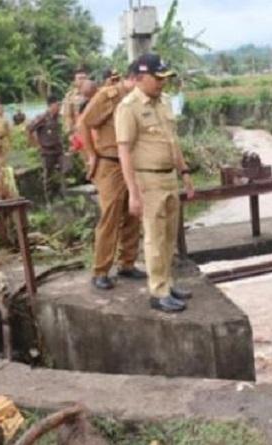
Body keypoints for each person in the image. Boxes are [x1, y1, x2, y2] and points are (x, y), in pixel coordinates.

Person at [115, 54, 195, 313]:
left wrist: (185, 172)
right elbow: (124, 152)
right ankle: (158, 292)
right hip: (147, 178)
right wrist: (133, 193)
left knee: (169, 236)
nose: (162, 83)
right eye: (157, 78)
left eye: (164, 78)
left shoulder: (165, 103)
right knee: (154, 236)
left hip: (169, 177)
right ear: (139, 78)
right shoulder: (129, 107)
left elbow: (172, 141)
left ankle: (167, 283)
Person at [79, 66, 144, 291]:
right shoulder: (109, 96)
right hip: (110, 163)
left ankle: (127, 263)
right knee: (111, 215)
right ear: (134, 78)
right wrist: (90, 155)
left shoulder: (138, 98)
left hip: (131, 164)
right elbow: (84, 123)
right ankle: (100, 270)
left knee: (133, 215)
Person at [27, 96, 64, 202]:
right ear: (51, 105)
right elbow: (29, 128)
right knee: (48, 176)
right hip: (47, 151)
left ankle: (61, 196)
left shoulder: (58, 117)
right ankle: (48, 200)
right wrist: (36, 144)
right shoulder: (42, 117)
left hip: (58, 150)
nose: (59, 107)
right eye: (57, 105)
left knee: (62, 172)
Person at [62, 67, 89, 137]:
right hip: (78, 132)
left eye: (84, 78)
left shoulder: (94, 93)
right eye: (80, 78)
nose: (83, 80)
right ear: (75, 81)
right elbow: (67, 116)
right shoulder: (70, 96)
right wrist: (71, 135)